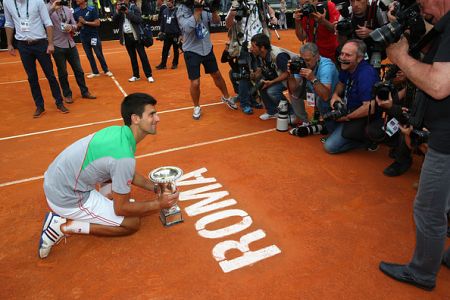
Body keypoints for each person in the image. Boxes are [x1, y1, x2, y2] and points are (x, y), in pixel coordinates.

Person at [38, 93, 179, 259]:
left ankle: (105, 201)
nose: (158, 118)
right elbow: (121, 208)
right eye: (152, 114)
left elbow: (123, 172)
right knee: (132, 223)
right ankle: (64, 226)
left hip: (57, 180)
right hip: (67, 197)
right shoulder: (124, 156)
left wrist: (154, 187)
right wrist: (159, 204)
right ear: (135, 118)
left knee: (110, 171)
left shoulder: (118, 133)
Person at [379, 0, 450, 291]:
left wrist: (401, 58)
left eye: (422, 4)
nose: (422, 11)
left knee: (428, 208)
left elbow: (438, 85)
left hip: (447, 140)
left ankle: (421, 273)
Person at [3, 0, 69, 118]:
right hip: (23, 45)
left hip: (41, 44)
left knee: (50, 75)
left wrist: (50, 43)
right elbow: (9, 23)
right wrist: (9, 44)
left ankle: (59, 102)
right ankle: (39, 106)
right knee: (32, 77)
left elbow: (47, 22)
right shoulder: (7, 2)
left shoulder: (37, 1)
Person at [176, 0, 235, 120]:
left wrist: (213, 10)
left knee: (217, 74)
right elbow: (187, 28)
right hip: (191, 50)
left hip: (207, 47)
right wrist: (197, 11)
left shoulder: (204, 6)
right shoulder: (182, 9)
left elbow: (217, 21)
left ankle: (227, 97)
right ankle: (196, 106)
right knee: (195, 82)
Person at [323, 39, 379, 154]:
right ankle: (343, 131)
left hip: (363, 116)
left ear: (359, 58)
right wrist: (335, 95)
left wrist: (347, 117)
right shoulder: (347, 66)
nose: (343, 58)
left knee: (330, 147)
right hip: (349, 108)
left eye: (348, 55)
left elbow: (369, 107)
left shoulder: (366, 75)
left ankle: (365, 140)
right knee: (324, 100)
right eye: (342, 54)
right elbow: (341, 83)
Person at [225, 0, 277, 115]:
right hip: (243, 44)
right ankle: (245, 103)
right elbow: (228, 24)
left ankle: (252, 99)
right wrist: (233, 13)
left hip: (259, 44)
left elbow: (269, 9)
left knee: (258, 73)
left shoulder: (260, 2)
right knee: (245, 75)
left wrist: (273, 16)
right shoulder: (237, 3)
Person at [47, 0, 96, 104]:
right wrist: (52, 8)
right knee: (63, 72)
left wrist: (71, 27)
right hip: (57, 45)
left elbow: (75, 25)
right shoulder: (47, 8)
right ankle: (67, 94)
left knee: (79, 70)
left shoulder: (67, 9)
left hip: (71, 44)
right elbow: (43, 20)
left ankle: (85, 92)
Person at [287, 42, 339, 131]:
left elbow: (326, 96)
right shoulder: (302, 64)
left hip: (332, 96)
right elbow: (293, 88)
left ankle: (329, 125)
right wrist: (291, 74)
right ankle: (304, 120)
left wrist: (313, 78)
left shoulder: (326, 66)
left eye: (308, 60)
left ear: (317, 57)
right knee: (294, 93)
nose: (305, 63)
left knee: (320, 100)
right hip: (314, 91)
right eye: (303, 60)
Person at [249, 33, 297, 121]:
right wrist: (254, 75)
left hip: (294, 77)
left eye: (253, 46)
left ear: (262, 48)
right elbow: (261, 68)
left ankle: (291, 113)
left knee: (272, 91)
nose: (251, 48)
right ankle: (272, 111)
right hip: (278, 74)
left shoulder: (278, 56)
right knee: (261, 84)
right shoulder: (260, 54)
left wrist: (271, 82)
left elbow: (287, 73)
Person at [112, 0, 154, 82]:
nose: (122, 2)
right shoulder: (120, 11)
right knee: (132, 57)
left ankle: (149, 75)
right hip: (127, 37)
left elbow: (139, 20)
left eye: (123, 1)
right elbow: (114, 21)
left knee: (143, 56)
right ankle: (136, 75)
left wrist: (128, 12)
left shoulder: (134, 8)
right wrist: (117, 11)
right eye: (121, 2)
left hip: (136, 36)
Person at [74, 0, 113, 78]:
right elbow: (76, 27)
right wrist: (78, 25)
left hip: (93, 36)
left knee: (98, 54)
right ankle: (95, 72)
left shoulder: (92, 9)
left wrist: (85, 22)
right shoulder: (76, 11)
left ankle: (106, 70)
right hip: (83, 37)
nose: (76, 0)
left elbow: (97, 23)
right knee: (89, 55)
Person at [155, 0, 180, 70]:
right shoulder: (165, 11)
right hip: (167, 34)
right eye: (168, 1)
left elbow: (180, 24)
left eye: (170, 1)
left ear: (173, 2)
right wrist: (161, 31)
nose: (168, 3)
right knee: (165, 50)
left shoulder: (177, 11)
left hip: (176, 34)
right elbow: (162, 22)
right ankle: (163, 64)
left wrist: (181, 34)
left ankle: (175, 64)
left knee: (175, 50)